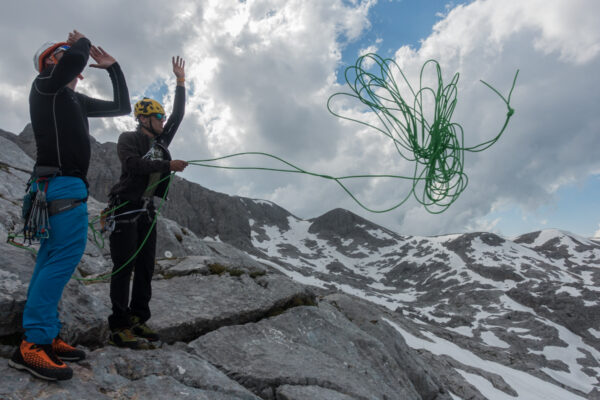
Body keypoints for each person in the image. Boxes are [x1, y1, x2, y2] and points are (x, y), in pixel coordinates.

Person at [8, 30, 131, 381]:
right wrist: (79, 42)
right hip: (61, 183)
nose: (74, 63)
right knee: (62, 260)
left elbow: (121, 106)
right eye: (60, 54)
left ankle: (44, 334)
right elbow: (76, 58)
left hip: (59, 184)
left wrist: (114, 68)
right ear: (49, 62)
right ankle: (33, 344)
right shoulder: (44, 85)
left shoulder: (73, 100)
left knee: (50, 260)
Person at [107, 56, 188, 349]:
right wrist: (167, 166)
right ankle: (118, 326)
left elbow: (179, 114)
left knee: (144, 267)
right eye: (158, 118)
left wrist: (180, 81)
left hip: (146, 210)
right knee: (124, 265)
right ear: (143, 119)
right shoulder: (128, 138)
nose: (163, 122)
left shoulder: (161, 143)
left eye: (162, 119)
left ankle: (138, 318)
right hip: (125, 206)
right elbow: (132, 166)